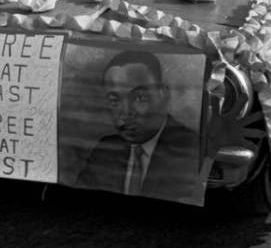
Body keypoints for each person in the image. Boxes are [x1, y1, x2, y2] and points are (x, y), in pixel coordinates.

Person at [76, 51, 201, 202]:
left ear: (163, 94)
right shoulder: (105, 151)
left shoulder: (191, 150)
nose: (126, 113)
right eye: (115, 101)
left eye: (139, 98)